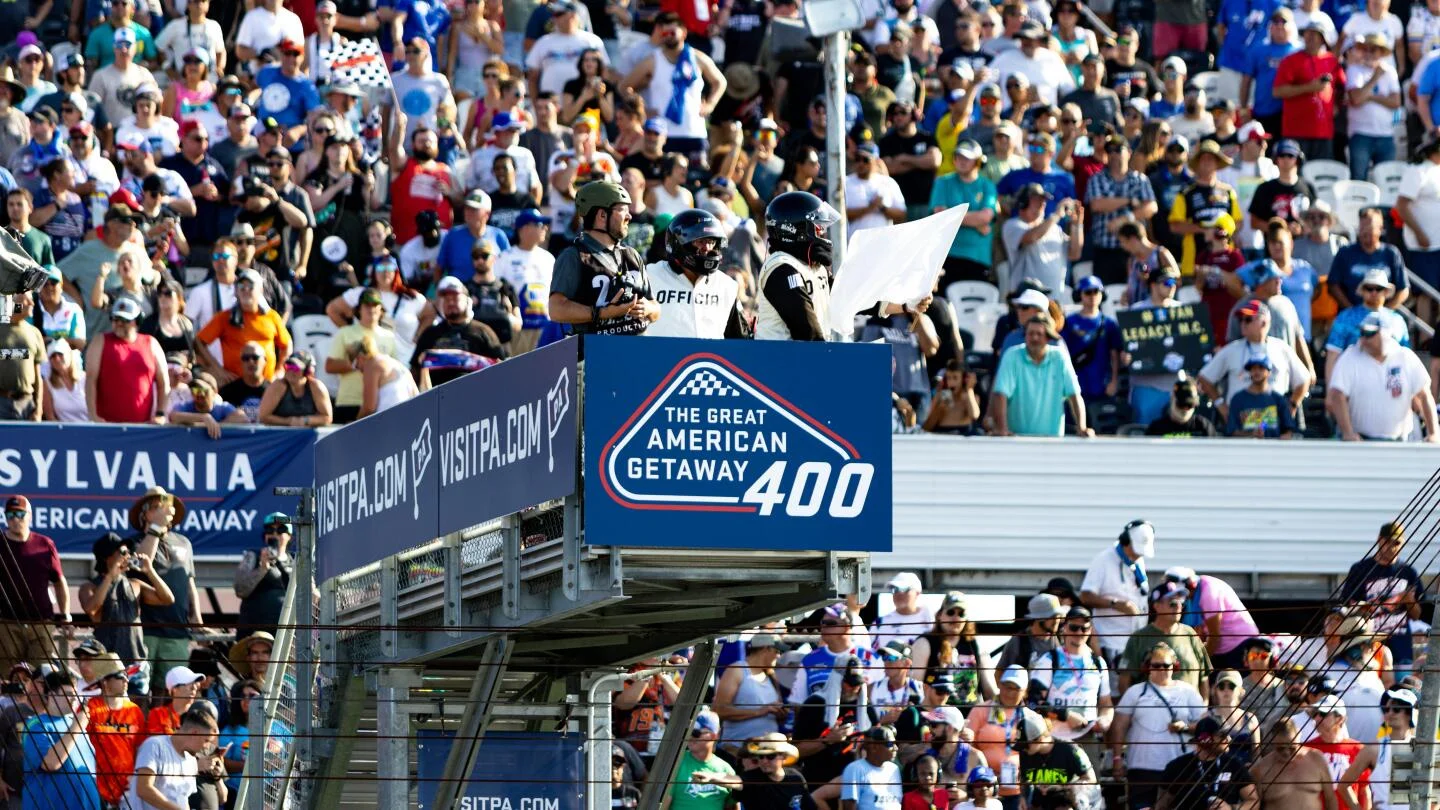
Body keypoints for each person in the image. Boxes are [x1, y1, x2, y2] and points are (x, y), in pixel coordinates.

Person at [546, 180, 659, 337]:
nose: (629, 216)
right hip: (596, 354)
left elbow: (655, 307)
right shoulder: (574, 256)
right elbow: (556, 309)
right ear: (602, 215)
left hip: (638, 351)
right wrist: (602, 313)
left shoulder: (632, 255)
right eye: (622, 210)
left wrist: (647, 308)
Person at [1109, 641, 1207, 810]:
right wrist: (1117, 759)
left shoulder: (1188, 691)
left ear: (1174, 666)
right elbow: (1119, 725)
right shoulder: (1135, 692)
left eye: (1166, 665)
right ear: (1148, 667)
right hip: (1142, 768)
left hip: (1178, 769)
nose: (1162, 669)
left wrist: (1185, 727)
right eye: (1156, 665)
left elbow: (1205, 726)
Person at [620, 11, 726, 159]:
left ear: (683, 33)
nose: (668, 35)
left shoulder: (697, 58)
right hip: (662, 134)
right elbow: (624, 86)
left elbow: (720, 82)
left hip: (693, 131)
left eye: (672, 32)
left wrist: (710, 104)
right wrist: (642, 111)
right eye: (665, 33)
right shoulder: (652, 61)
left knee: (695, 179)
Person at [129, 488, 203, 683]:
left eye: (165, 507)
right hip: (145, 629)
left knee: (174, 691)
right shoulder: (132, 542)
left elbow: (189, 582)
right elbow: (139, 565)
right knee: (140, 690)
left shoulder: (184, 542)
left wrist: (196, 616)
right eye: (156, 507)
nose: (163, 511)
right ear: (144, 514)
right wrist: (155, 528)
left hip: (177, 630)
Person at [1328, 313, 1439, 442]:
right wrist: (1348, 432)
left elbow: (1424, 395)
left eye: (1369, 333)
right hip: (1361, 441)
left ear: (1386, 333)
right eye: (1362, 333)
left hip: (1400, 442)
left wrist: (1434, 433)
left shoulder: (1405, 357)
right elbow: (1337, 394)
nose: (1363, 338)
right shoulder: (1350, 356)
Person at [77, 532, 173, 673]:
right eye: (122, 552)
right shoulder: (89, 587)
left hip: (137, 664)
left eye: (128, 551)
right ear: (106, 557)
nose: (127, 555)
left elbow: (167, 599)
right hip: (108, 666)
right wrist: (111, 576)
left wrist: (150, 571)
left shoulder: (135, 584)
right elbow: (91, 610)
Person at [644, 209, 749, 339]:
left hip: (709, 358)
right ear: (679, 243)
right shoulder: (648, 276)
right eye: (700, 241)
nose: (707, 249)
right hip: (661, 357)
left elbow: (740, 339)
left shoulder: (727, 286)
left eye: (711, 242)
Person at [1341, 523, 1423, 680]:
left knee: (1401, 688)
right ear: (1379, 540)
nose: (1392, 547)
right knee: (1370, 686)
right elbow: (1347, 605)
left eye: (1397, 543)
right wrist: (1366, 607)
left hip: (1400, 644)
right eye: (1388, 542)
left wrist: (1409, 600)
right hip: (1368, 643)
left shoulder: (1408, 572)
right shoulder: (1361, 569)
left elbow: (1417, 615)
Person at [0, 495, 69, 675]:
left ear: (30, 515)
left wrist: (66, 615)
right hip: (6, 624)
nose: (15, 519)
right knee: (8, 679)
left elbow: (59, 581)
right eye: (10, 514)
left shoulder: (45, 544)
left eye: (20, 514)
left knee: (41, 677)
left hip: (41, 624)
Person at [990, 314, 1089, 437]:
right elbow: (1000, 394)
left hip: (1052, 443)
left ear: (1048, 337)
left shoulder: (1060, 357)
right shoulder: (1012, 356)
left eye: (1039, 334)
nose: (1034, 338)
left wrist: (1082, 427)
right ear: (1025, 336)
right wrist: (1002, 429)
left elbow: (1074, 395)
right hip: (1016, 441)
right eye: (1030, 333)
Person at [1029, 606, 1113, 752]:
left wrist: (1105, 720)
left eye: (1084, 628)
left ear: (1090, 630)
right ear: (1064, 629)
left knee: (1091, 776)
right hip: (1053, 737)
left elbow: (1106, 704)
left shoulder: (1098, 663)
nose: (1079, 633)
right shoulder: (1049, 659)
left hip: (1087, 737)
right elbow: (1034, 703)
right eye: (1074, 628)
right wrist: (1066, 715)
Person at [1079, 519, 1153, 668]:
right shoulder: (1103, 560)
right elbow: (1085, 596)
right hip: (1112, 644)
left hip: (1136, 641)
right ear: (1125, 541)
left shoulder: (1137, 561)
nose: (1139, 555)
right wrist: (1115, 604)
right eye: (1136, 550)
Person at [1117, 582, 1212, 696]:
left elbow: (1204, 677)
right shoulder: (1139, 638)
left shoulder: (1190, 634)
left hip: (1190, 711)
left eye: (1181, 602)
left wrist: (1203, 708)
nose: (1178, 606)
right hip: (1152, 710)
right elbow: (1124, 682)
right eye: (1172, 603)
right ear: (1156, 606)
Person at [22, 670, 99, 810]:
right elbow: (50, 763)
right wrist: (77, 727)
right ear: (51, 695)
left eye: (76, 694)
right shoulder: (37, 725)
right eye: (69, 694)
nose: (74, 698)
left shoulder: (76, 723)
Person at [410, 277, 508, 387]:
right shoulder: (430, 334)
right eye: (446, 299)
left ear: (467, 300)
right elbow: (415, 370)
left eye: (455, 298)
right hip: (437, 397)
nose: (450, 302)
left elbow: (500, 367)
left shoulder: (484, 332)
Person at [1338, 688, 1424, 810]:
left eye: (1396, 709)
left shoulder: (1424, 749)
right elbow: (1343, 786)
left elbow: (1435, 797)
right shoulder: (1373, 749)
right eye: (1387, 709)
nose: (1390, 713)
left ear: (1410, 713)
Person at [126, 706, 222, 810]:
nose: (207, 747)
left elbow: (183, 800)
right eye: (206, 741)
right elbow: (143, 789)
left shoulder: (191, 761)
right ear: (194, 733)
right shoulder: (154, 745)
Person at [1154, 716, 1259, 810]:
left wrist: (1231, 808)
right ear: (1205, 740)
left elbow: (1253, 801)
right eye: (1222, 736)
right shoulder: (1177, 767)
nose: (1228, 739)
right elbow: (1161, 805)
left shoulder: (1234, 764)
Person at [1273, 22, 1345, 159]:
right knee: (1297, 175)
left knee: (1321, 175)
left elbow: (1342, 86)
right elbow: (1277, 91)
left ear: (1323, 38)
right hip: (1296, 130)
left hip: (1324, 131)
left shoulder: (1332, 61)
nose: (1310, 37)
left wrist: (1337, 104)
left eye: (1315, 34)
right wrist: (1309, 88)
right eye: (1307, 33)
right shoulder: (1290, 61)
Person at [83, 652, 145, 810]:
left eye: (126, 675)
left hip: (128, 790)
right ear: (105, 682)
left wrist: (136, 779)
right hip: (95, 789)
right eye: (119, 676)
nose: (126, 680)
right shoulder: (90, 708)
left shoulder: (135, 711)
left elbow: (140, 749)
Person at [1001, 184, 1083, 296]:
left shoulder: (1054, 228)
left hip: (1055, 297)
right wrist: (1056, 215)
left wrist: (1077, 225)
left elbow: (1074, 254)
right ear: (1022, 203)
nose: (1042, 204)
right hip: (1026, 298)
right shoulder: (1012, 225)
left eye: (1044, 200)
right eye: (1036, 200)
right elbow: (1031, 237)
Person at [1015, 707, 1096, 805]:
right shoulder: (1026, 752)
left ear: (1040, 739)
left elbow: (1090, 779)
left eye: (1025, 745)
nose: (1023, 749)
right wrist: (1022, 797)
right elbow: (1024, 778)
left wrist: (1063, 787)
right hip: (1039, 803)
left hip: (1067, 801)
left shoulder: (1070, 750)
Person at [1254, 718, 1338, 809]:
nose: (1286, 752)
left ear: (1299, 736)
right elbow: (1253, 804)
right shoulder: (1261, 769)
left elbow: (1330, 798)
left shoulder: (1317, 759)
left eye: (1292, 748)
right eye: (1280, 748)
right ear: (1273, 742)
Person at [667, 711, 739, 809]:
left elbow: (732, 806)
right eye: (689, 732)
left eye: (695, 733)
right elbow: (663, 804)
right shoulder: (675, 763)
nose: (691, 737)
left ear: (715, 735)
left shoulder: (726, 769)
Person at [1225, 356, 1299, 438]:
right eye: (1253, 368)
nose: (1257, 372)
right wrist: (1251, 435)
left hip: (1273, 449)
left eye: (1261, 368)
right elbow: (1231, 431)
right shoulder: (1237, 399)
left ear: (1269, 372)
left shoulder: (1278, 399)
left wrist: (1286, 436)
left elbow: (1289, 429)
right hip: (1245, 449)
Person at [349, 334, 419, 418]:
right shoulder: (398, 365)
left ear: (360, 357)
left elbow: (368, 407)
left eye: (355, 365)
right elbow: (416, 396)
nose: (358, 370)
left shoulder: (371, 364)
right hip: (408, 419)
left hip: (390, 422)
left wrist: (353, 427)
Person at [735, 733, 811, 810]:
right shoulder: (749, 778)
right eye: (760, 757)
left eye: (770, 756)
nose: (763, 762)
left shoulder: (796, 777)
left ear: (784, 756)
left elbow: (809, 806)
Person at [258, 352, 332, 428]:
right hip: (279, 436)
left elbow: (327, 417)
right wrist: (288, 421)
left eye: (295, 368)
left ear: (307, 371)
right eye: (288, 367)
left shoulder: (316, 387)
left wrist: (305, 420)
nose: (290, 371)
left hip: (308, 438)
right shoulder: (278, 386)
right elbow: (263, 416)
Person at [841, 726, 903, 810]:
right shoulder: (855, 769)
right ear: (874, 747)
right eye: (890, 744)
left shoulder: (894, 769)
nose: (896, 748)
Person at [873, 573, 935, 650]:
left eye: (905, 589)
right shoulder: (880, 623)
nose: (899, 593)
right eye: (895, 589)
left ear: (917, 593)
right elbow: (871, 655)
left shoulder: (931, 620)